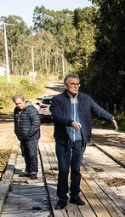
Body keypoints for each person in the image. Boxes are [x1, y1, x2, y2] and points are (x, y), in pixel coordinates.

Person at [50, 74, 118, 209]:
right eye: (72, 84)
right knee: (64, 170)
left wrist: (110, 118)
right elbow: (57, 116)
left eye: (77, 84)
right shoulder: (57, 100)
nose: (75, 86)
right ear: (65, 86)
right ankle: (62, 199)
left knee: (76, 169)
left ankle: (74, 195)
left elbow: (97, 110)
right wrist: (70, 122)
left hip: (80, 140)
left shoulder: (86, 98)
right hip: (63, 140)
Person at [12, 95, 41, 179]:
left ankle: (33, 172)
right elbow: (16, 123)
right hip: (22, 137)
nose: (18, 105)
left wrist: (28, 134)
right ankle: (28, 170)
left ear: (24, 101)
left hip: (32, 137)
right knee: (25, 154)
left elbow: (36, 124)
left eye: (20, 103)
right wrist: (17, 133)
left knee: (32, 154)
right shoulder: (16, 110)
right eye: (16, 104)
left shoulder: (32, 110)